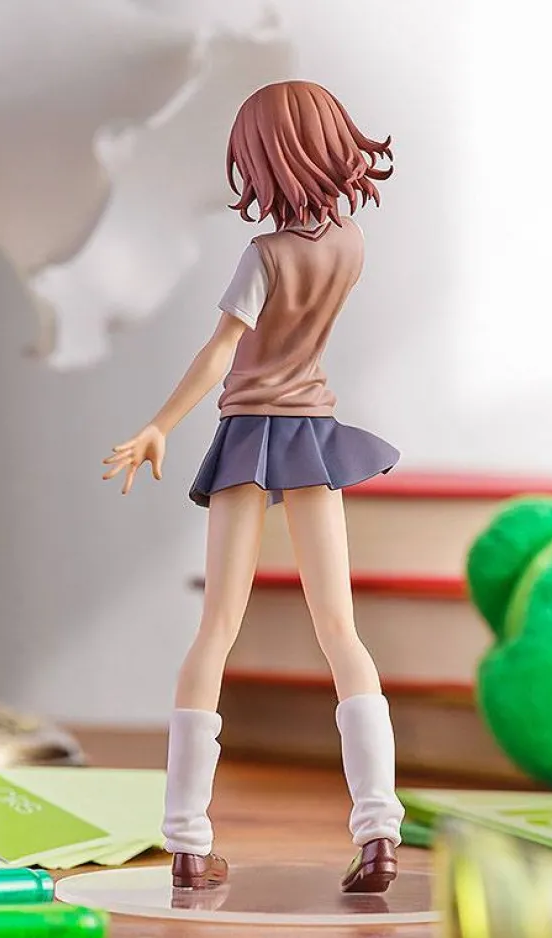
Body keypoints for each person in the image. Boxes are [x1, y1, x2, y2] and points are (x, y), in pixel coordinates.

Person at [103, 80, 405, 893]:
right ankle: (379, 830)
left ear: (269, 159)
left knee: (216, 630)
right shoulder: (350, 244)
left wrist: (161, 423)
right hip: (312, 436)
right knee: (340, 630)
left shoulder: (265, 256)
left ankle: (187, 841)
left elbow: (221, 352)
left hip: (247, 437)